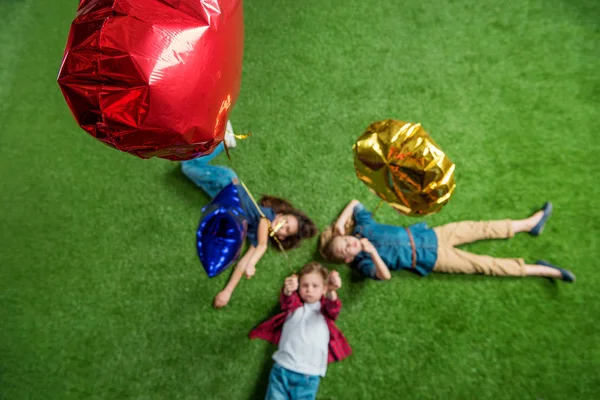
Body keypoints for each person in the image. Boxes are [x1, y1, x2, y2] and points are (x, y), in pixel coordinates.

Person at [181, 122, 317, 308]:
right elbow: (261, 246)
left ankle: (222, 141)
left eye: (286, 229)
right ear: (280, 214)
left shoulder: (258, 234)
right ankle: (223, 141)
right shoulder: (265, 217)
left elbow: (243, 262)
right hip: (227, 184)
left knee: (192, 169)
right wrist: (253, 263)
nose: (281, 225)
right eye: (284, 220)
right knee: (188, 167)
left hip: (223, 197)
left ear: (283, 237)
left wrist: (227, 292)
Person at [319, 199, 575, 283]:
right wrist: (372, 252)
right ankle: (541, 269)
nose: (350, 244)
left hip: (430, 235)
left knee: (480, 228)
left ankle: (529, 224)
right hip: (432, 258)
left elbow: (355, 203)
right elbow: (384, 276)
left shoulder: (364, 227)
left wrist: (340, 224)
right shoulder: (363, 262)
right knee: (485, 265)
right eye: (346, 250)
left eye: (346, 241)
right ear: (348, 258)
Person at [249, 262, 351, 400]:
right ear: (299, 287)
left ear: (323, 289)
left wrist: (332, 291)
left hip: (309, 375)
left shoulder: (325, 312)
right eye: (305, 285)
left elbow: (333, 307)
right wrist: (288, 289)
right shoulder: (294, 307)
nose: (309, 290)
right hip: (282, 369)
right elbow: (287, 300)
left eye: (315, 286)